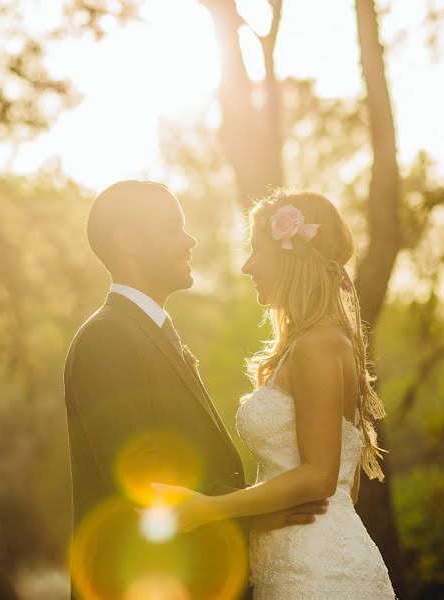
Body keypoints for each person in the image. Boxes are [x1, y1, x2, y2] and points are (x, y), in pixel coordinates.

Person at [63, 180, 326, 599]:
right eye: (172, 227)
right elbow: (141, 487)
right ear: (129, 240)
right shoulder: (107, 338)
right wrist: (257, 515)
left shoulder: (147, 332)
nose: (190, 240)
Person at [155, 191, 397, 599]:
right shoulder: (309, 345)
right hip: (295, 566)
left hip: (321, 577)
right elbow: (344, 486)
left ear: (291, 256)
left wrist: (208, 509)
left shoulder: (318, 344)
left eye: (256, 250)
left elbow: (322, 478)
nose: (248, 266)